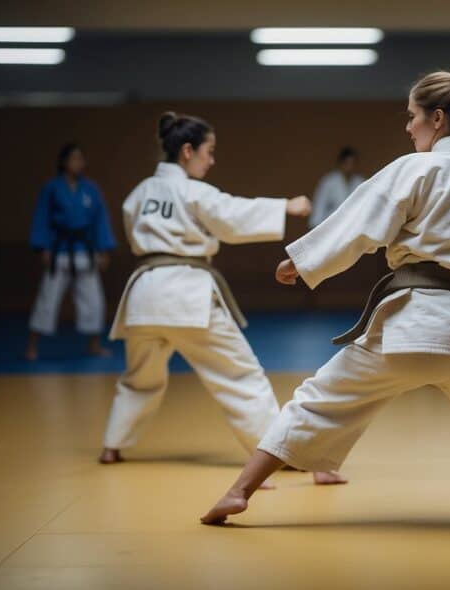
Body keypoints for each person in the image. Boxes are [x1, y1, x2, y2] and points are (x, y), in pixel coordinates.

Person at [201, 63, 450, 525]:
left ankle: (239, 491)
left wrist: (302, 263)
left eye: (412, 116)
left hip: (413, 326)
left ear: (437, 119)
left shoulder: (414, 169)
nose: (408, 127)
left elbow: (361, 222)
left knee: (319, 399)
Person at [99, 112, 345, 487]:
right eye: (208, 152)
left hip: (144, 295)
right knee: (240, 376)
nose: (211, 160)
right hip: (185, 293)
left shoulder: (139, 194)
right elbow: (231, 215)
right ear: (187, 151)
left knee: (139, 378)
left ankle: (112, 445)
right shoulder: (193, 192)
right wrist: (285, 206)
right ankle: (278, 452)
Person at [25, 143, 116, 360]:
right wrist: (43, 247)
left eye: (80, 159)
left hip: (85, 249)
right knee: (48, 298)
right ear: (63, 162)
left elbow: (100, 220)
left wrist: (103, 249)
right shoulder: (52, 188)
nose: (78, 163)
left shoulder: (91, 189)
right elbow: (42, 218)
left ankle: (94, 344)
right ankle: (32, 345)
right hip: (60, 251)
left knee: (93, 300)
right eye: (73, 158)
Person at [310, 146, 365, 228]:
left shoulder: (361, 182)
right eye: (347, 163)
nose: (349, 167)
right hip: (331, 228)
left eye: (352, 163)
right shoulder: (328, 182)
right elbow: (318, 209)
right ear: (340, 164)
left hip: (354, 227)